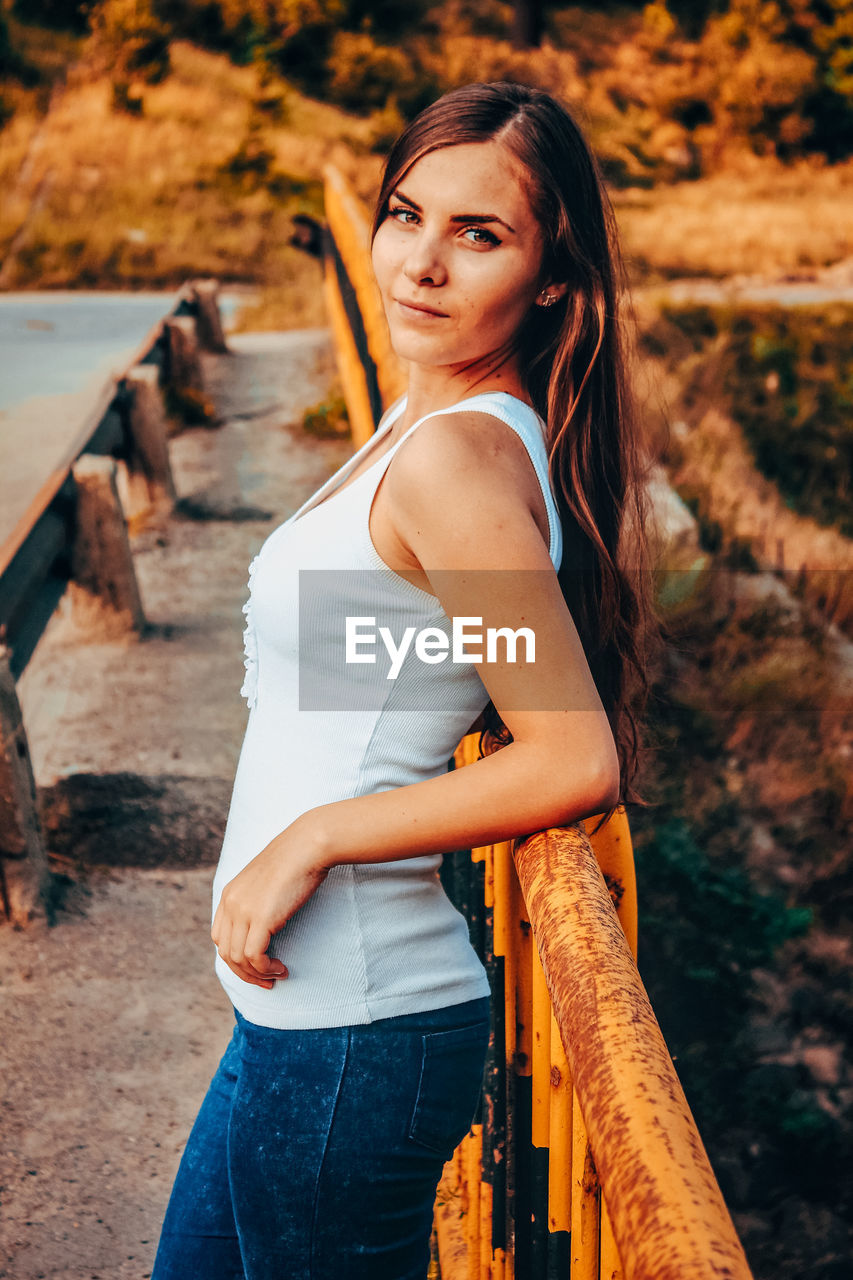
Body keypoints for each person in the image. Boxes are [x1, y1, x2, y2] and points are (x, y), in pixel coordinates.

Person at [151, 80, 655, 1280]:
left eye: (477, 234)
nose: (421, 263)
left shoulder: (455, 463)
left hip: (351, 1026)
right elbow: (380, 668)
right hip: (297, 1017)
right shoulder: (422, 420)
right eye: (404, 213)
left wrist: (316, 834)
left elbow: (573, 756)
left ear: (550, 278)